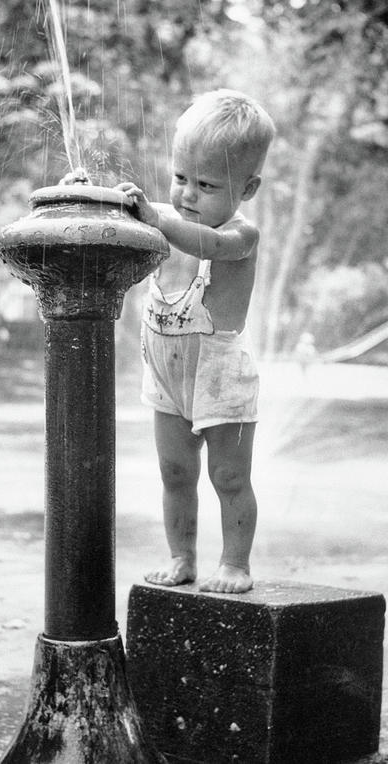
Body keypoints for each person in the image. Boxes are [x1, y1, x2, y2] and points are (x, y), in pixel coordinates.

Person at [117, 88, 275, 593]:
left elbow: (207, 244)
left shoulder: (239, 234)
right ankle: (181, 557)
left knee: (228, 478)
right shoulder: (169, 217)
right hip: (166, 373)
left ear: (247, 188)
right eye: (180, 177)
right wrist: (101, 199)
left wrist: (156, 218)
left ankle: (234, 564)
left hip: (218, 376)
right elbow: (136, 219)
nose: (186, 195)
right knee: (174, 472)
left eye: (206, 184)